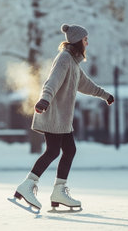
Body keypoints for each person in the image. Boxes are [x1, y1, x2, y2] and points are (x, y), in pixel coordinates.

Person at [13, 24, 114, 211]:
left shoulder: (73, 63)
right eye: (85, 39)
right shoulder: (64, 59)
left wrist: (105, 95)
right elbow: (52, 81)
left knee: (69, 150)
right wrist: (44, 99)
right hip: (53, 115)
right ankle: (27, 186)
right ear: (77, 41)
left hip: (62, 120)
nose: (87, 42)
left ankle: (58, 190)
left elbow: (86, 85)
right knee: (53, 151)